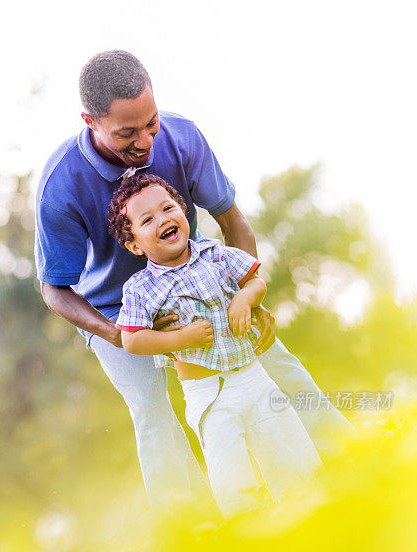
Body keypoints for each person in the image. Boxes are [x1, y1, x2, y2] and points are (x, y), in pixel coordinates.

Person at [35, 49, 352, 507]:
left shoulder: (182, 137)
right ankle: (190, 526)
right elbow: (54, 288)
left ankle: (342, 450)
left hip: (196, 279)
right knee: (151, 409)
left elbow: (233, 221)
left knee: (272, 359)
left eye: (151, 123)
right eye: (128, 132)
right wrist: (125, 334)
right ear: (90, 120)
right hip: (115, 311)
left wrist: (247, 294)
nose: (145, 140)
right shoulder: (61, 184)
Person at [108, 173, 323, 516]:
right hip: (207, 393)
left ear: (182, 210)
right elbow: (131, 340)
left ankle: (312, 510)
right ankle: (247, 527)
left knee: (290, 456)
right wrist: (180, 338)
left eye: (168, 208)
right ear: (134, 244)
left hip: (252, 377)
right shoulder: (140, 288)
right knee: (232, 476)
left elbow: (256, 283)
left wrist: (243, 299)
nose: (163, 219)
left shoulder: (215, 253)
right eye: (147, 220)